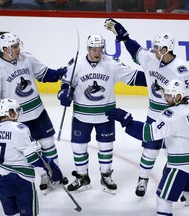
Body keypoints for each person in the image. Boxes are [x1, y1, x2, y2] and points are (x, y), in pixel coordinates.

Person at [106, 79, 189, 216]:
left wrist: (126, 120)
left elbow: (148, 133)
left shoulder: (171, 116)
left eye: (169, 95)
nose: (165, 97)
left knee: (163, 200)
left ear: (178, 96)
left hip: (181, 166)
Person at [104, 18, 189, 197]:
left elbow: (188, 100)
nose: (153, 50)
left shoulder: (181, 70)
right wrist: (125, 37)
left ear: (166, 49)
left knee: (174, 152)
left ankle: (177, 183)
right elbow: (137, 51)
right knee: (150, 149)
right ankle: (143, 179)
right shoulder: (151, 59)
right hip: (154, 114)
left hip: (174, 117)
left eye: (157, 48)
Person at [57, 34, 146, 194]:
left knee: (106, 147)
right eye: (93, 49)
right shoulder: (77, 64)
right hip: (81, 115)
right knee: (78, 146)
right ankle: (82, 177)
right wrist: (63, 94)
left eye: (99, 49)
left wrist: (154, 78)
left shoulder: (112, 64)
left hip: (106, 114)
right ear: (88, 48)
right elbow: (66, 84)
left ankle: (106, 176)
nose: (97, 53)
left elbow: (133, 77)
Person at [0, 32, 68, 193]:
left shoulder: (27, 58)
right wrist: (0, 116)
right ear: (5, 49)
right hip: (18, 118)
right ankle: (44, 175)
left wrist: (59, 73)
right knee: (32, 150)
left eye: (18, 45)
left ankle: (56, 175)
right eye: (14, 47)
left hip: (38, 111)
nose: (18, 49)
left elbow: (45, 74)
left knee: (48, 144)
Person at [0, 98, 63, 216]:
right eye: (16, 111)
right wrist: (52, 169)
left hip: (0, 180)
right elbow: (34, 157)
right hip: (21, 179)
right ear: (10, 112)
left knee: (12, 213)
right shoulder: (19, 130)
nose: (18, 114)